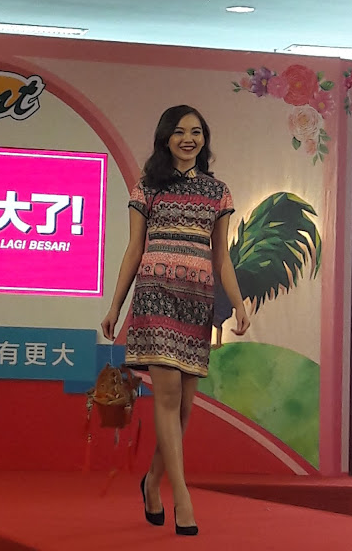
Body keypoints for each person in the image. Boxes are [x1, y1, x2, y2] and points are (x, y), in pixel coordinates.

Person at [101, 105, 250, 536]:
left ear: (204, 139)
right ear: (165, 137)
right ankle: (181, 497)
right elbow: (134, 249)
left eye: (196, 132)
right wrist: (115, 306)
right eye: (180, 131)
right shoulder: (147, 187)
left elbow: (221, 257)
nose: (189, 139)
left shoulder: (218, 192)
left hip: (196, 302)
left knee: (184, 407)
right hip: (155, 296)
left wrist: (238, 303)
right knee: (167, 399)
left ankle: (152, 480)